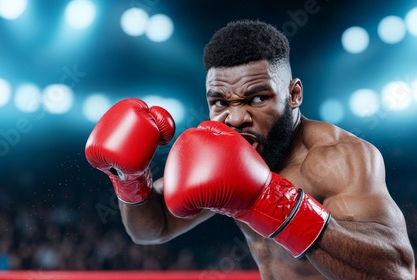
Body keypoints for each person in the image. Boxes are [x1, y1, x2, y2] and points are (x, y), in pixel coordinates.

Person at [85, 20, 415, 279]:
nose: (237, 117)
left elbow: (395, 272)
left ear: (294, 94)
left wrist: (273, 202)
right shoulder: (222, 155)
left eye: (257, 98)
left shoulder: (338, 158)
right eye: (219, 102)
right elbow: (152, 229)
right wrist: (131, 179)